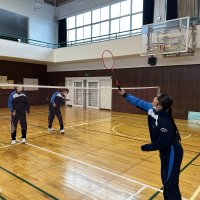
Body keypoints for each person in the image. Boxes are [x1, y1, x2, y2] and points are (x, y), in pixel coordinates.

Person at [119, 90, 183, 200]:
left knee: (170, 184)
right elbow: (138, 102)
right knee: (165, 180)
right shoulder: (152, 108)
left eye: (156, 98)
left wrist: (147, 147)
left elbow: (163, 143)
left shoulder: (165, 122)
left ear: (160, 105)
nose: (153, 98)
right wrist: (125, 95)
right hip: (165, 152)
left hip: (172, 152)